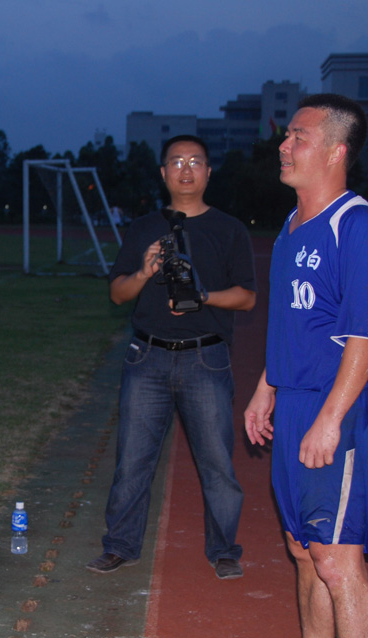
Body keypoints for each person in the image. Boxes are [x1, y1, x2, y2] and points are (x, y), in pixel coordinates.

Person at [244, 94, 368, 638]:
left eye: (298, 137)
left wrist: (330, 419)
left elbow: (366, 336)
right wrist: (266, 387)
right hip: (294, 400)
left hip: (339, 406)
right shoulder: (290, 227)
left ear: (335, 151)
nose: (284, 145)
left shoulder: (358, 225)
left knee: (336, 559)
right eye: (287, 136)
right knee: (303, 548)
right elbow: (291, 323)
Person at [85, 134, 256, 580]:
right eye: (176, 162)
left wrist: (203, 297)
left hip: (206, 359)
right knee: (133, 461)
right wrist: (144, 271)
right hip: (148, 358)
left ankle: (224, 549)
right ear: (163, 173)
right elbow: (117, 294)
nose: (186, 169)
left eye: (195, 161)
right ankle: (120, 545)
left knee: (217, 463)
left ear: (208, 172)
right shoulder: (143, 228)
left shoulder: (229, 229)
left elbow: (247, 297)